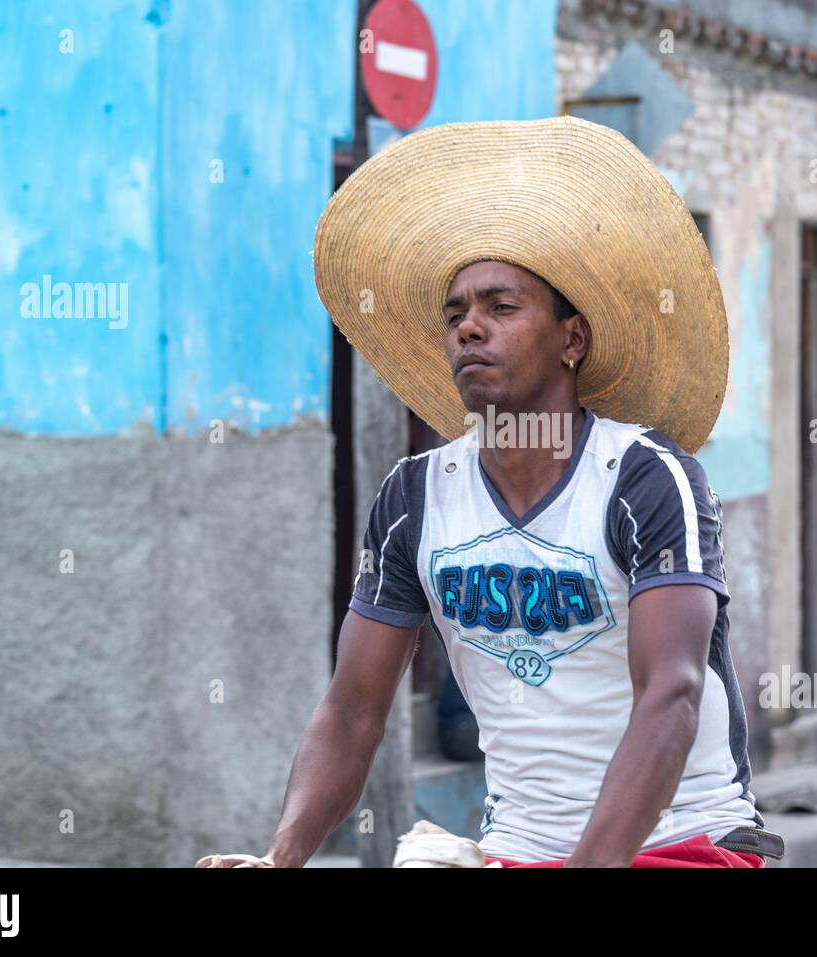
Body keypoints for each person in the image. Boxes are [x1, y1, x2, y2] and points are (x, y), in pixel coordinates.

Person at [197, 116, 783, 868]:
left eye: (501, 308)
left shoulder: (642, 478)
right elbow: (353, 706)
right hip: (518, 846)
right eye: (456, 313)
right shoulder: (416, 497)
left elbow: (670, 693)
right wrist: (281, 857)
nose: (470, 328)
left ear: (572, 339)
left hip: (686, 843)